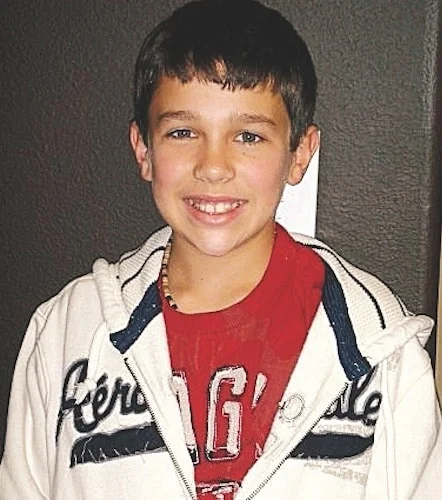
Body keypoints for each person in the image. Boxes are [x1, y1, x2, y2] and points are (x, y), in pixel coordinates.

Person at [1, 0, 441, 498]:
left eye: (248, 136)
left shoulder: (382, 352)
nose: (213, 166)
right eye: (183, 132)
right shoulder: (68, 332)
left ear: (299, 153)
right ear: (144, 149)